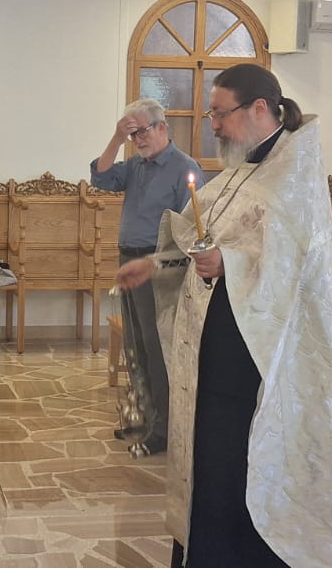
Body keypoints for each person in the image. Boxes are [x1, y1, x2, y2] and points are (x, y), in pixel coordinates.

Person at [114, 64, 332, 568]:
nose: (213, 125)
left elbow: (292, 266)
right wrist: (159, 263)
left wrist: (227, 263)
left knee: (242, 465)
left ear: (258, 108)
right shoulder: (242, 169)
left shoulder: (294, 176)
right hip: (217, 355)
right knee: (211, 462)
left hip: (258, 362)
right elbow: (202, 239)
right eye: (210, 114)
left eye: (220, 113)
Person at [89, 98, 203, 458]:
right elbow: (100, 176)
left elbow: (193, 228)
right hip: (129, 260)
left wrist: (160, 263)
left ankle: (164, 428)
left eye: (142, 131)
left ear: (162, 127)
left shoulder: (184, 168)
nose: (138, 139)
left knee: (157, 349)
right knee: (135, 347)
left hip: (159, 267)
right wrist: (116, 137)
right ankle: (140, 417)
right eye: (132, 134)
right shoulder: (135, 165)